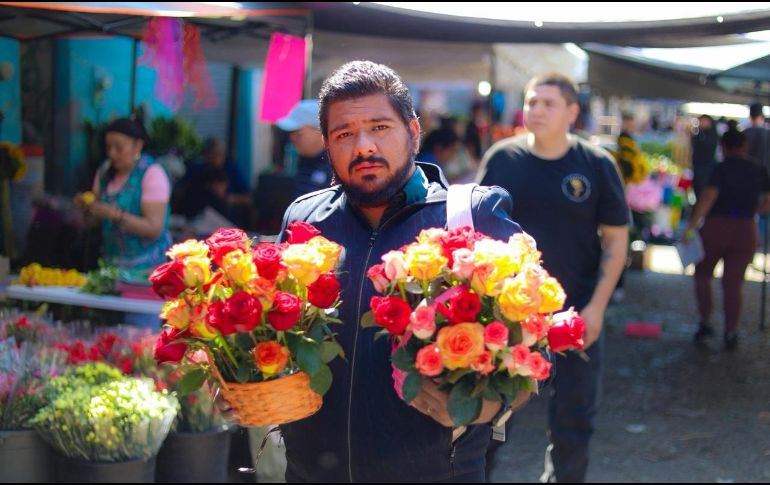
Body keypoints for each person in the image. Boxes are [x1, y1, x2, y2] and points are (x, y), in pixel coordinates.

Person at [222, 60, 530, 483]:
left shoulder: (469, 217)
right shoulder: (306, 220)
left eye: (380, 127)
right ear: (327, 146)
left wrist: (492, 408)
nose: (363, 146)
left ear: (413, 131)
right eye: (344, 134)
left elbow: (535, 350)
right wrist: (239, 375)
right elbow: (275, 331)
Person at [477, 72, 629, 483]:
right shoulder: (502, 159)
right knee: (489, 422)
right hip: (507, 317)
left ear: (572, 112)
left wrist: (596, 309)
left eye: (548, 103)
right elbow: (473, 233)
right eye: (531, 102)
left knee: (573, 422)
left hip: (575, 313)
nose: (537, 111)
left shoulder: (595, 165)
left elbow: (616, 241)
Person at [685, 128, 770, 350]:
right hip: (746, 228)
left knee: (703, 274)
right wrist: (755, 212)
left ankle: (705, 321)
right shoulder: (758, 169)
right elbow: (768, 201)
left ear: (723, 147)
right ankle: (730, 331)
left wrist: (691, 227)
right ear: (744, 146)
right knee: (734, 284)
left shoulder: (721, 168)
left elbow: (708, 198)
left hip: (717, 226)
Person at [75, 116, 172, 272]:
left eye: (119, 148)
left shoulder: (151, 174)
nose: (112, 153)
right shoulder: (105, 172)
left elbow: (154, 228)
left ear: (137, 146)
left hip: (147, 268)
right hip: (110, 266)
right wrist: (88, 209)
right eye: (108, 148)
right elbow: (94, 222)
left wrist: (114, 215)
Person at [174, 137, 252, 225]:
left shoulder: (231, 169)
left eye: (216, 155)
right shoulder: (198, 170)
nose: (212, 158)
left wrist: (228, 198)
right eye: (209, 155)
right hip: (198, 218)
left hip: (226, 219)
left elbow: (248, 199)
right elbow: (182, 193)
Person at [275, 99, 332, 199]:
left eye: (298, 132)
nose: (292, 138)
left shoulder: (338, 167)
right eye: (291, 133)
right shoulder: (304, 160)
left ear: (320, 130)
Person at [691, 114, 719, 199]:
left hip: (706, 170)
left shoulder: (712, 136)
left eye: (703, 121)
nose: (700, 123)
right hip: (698, 168)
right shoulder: (700, 135)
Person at [744, 103, 769, 170]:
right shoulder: (767, 133)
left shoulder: (745, 133)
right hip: (765, 172)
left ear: (750, 117)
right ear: (762, 117)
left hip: (747, 171)